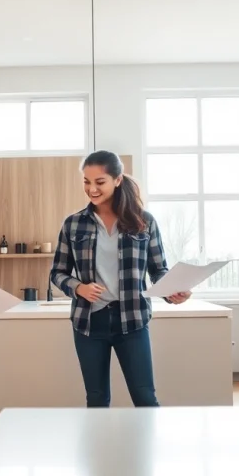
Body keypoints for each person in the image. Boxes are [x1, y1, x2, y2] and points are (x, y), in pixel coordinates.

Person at [50, 150, 190, 408]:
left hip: (133, 321)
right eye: (86, 181)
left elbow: (159, 270)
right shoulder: (73, 225)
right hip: (89, 323)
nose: (91, 189)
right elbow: (57, 273)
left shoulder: (143, 221)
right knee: (97, 399)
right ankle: (100, 449)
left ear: (117, 180)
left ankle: (149, 449)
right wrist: (78, 287)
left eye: (99, 182)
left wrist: (172, 291)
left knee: (145, 398)